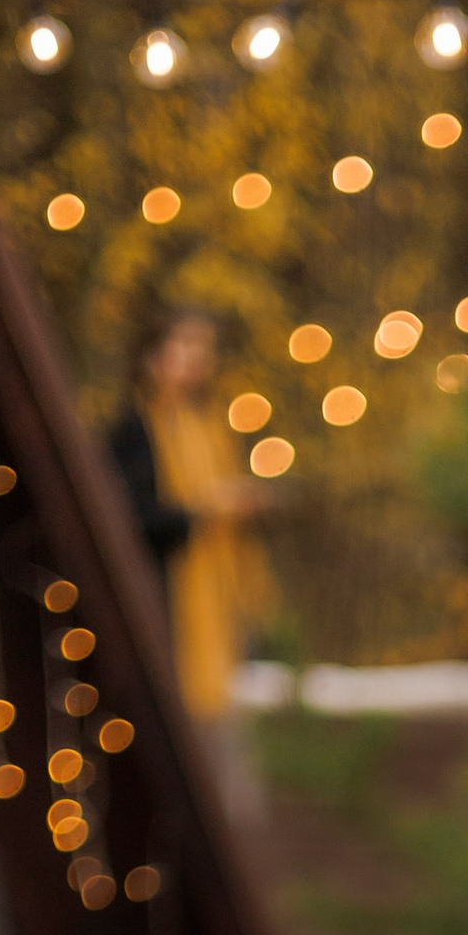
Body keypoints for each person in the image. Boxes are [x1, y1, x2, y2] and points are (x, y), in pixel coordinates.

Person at [107, 306, 272, 806]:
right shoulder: (133, 431)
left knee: (222, 747)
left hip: (216, 617)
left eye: (204, 349)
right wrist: (208, 508)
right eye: (184, 346)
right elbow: (132, 523)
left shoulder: (211, 429)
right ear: (152, 357)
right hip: (163, 608)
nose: (196, 360)